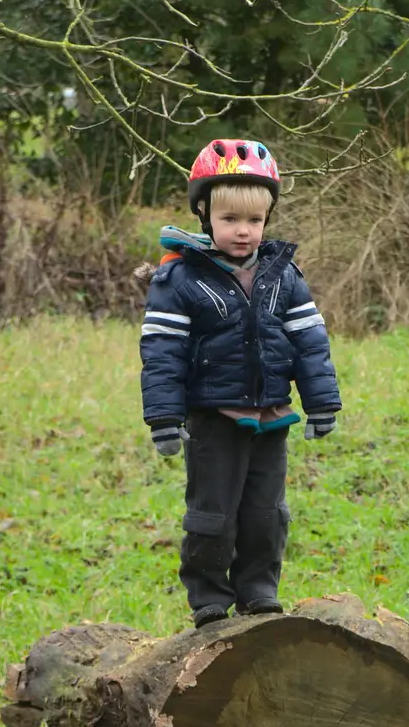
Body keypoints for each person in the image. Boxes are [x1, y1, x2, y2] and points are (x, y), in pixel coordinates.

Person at [139, 138, 341, 628]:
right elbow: (162, 352)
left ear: (267, 219)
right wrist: (164, 416)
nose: (244, 232)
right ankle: (209, 597)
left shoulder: (284, 277)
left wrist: (321, 404)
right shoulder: (181, 279)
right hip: (213, 419)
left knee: (267, 513)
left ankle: (258, 590)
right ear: (206, 214)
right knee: (212, 515)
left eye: (254, 221)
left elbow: (310, 342)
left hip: (271, 416)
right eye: (230, 220)